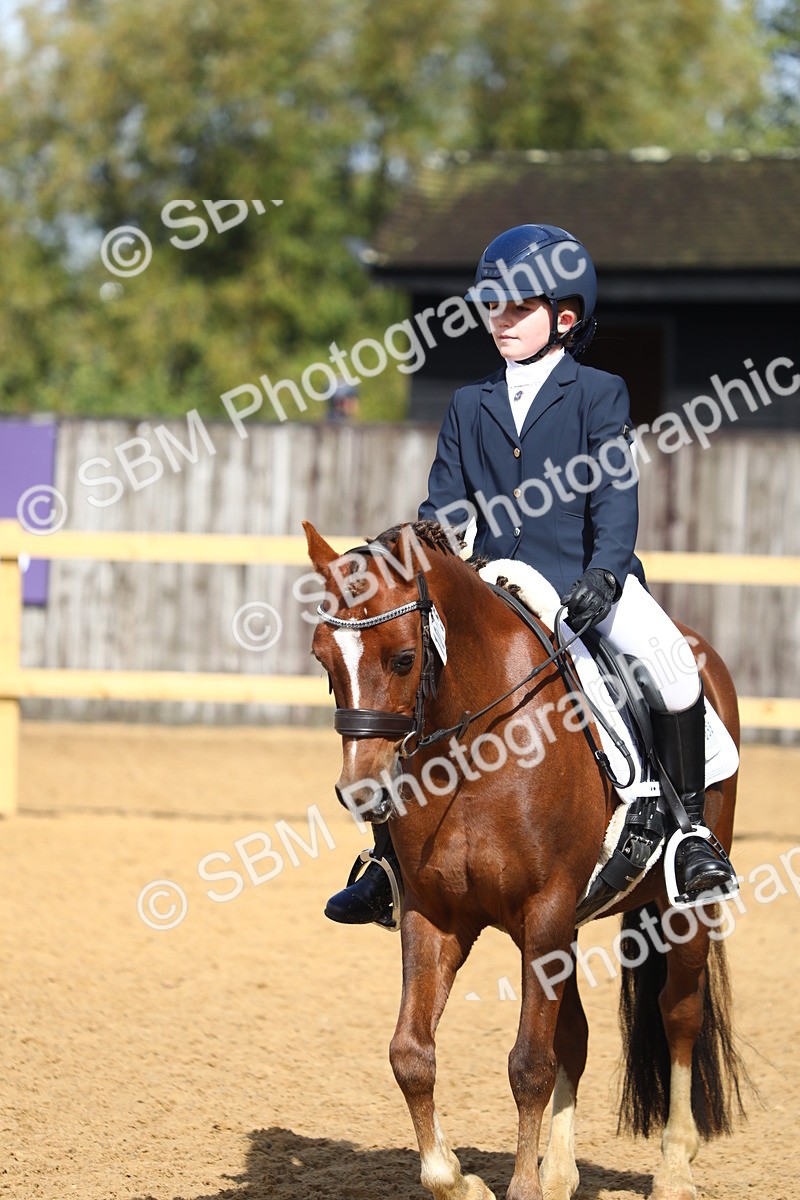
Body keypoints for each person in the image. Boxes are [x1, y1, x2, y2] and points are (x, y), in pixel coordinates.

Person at [325, 223, 737, 927]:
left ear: (565, 318)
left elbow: (614, 495)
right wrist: (429, 549)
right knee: (412, 687)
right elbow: (444, 505)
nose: (501, 320)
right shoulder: (467, 403)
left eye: (519, 307)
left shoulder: (598, 393)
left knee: (671, 667)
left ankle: (691, 837)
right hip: (493, 586)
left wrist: (607, 574)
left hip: (583, 584)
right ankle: (387, 861)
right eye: (494, 306)